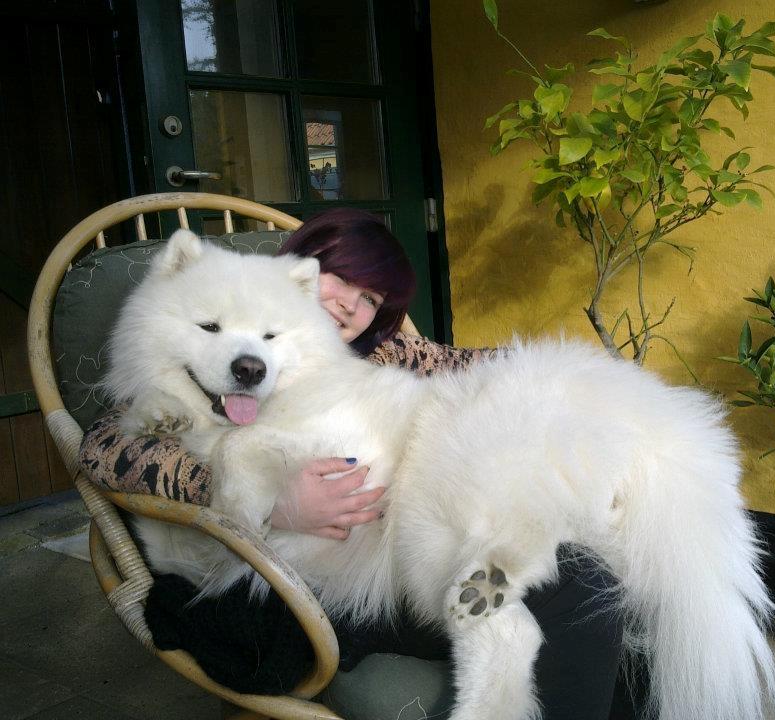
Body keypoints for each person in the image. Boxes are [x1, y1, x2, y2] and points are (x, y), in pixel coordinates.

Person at [79, 208, 629, 719]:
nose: (349, 304)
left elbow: (478, 365)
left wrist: (583, 381)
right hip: (336, 578)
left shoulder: (386, 351)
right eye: (339, 278)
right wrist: (272, 504)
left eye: (369, 298)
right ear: (297, 265)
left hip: (407, 539)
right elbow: (107, 451)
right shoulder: (181, 384)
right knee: (578, 592)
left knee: (597, 583)